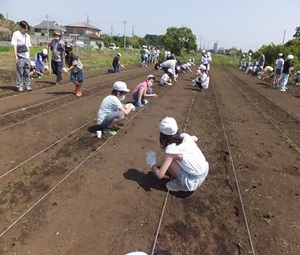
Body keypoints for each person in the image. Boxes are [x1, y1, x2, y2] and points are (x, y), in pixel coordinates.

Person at [146, 117, 209, 192]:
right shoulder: (185, 136)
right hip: (205, 170)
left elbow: (160, 175)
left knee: (166, 160)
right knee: (171, 158)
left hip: (193, 180)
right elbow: (196, 138)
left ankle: (183, 185)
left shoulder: (171, 151)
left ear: (163, 135)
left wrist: (152, 164)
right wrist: (190, 139)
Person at [11, 20, 32, 92]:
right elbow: (14, 45)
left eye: (27, 28)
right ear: (21, 27)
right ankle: (19, 86)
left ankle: (27, 85)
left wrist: (29, 56)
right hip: (20, 56)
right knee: (20, 72)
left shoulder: (28, 36)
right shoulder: (16, 34)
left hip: (26, 56)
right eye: (25, 28)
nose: (26, 30)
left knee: (27, 71)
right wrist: (16, 56)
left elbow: (28, 46)